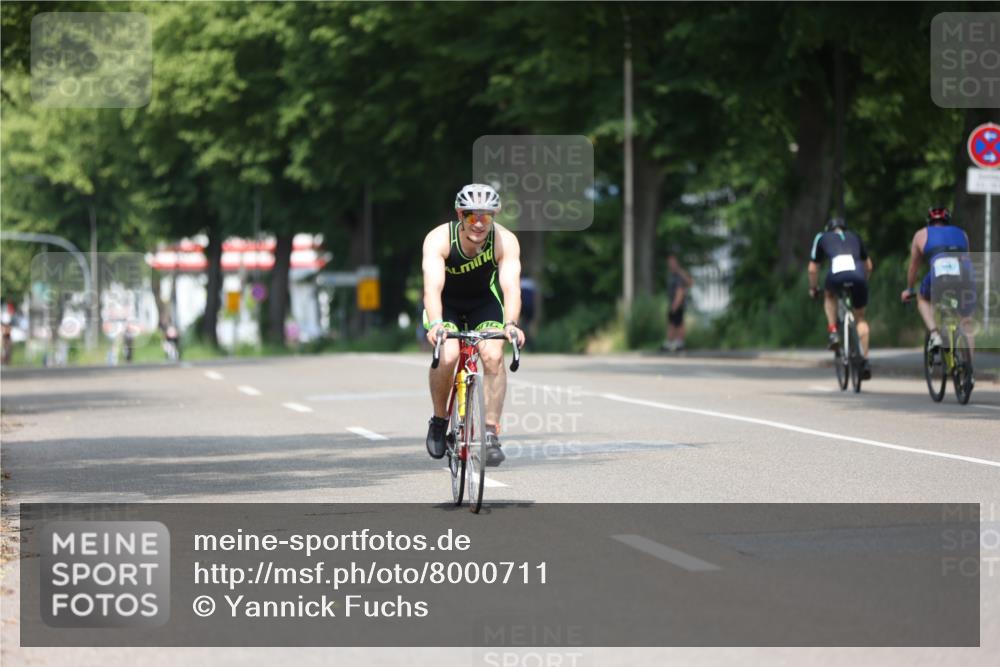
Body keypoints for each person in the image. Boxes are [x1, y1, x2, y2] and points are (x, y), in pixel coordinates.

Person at [422, 184, 525, 466]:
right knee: (449, 355)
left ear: (494, 216)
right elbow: (432, 288)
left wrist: (512, 324)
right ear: (460, 214)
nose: (479, 223)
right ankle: (439, 420)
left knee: (492, 356)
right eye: (471, 216)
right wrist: (436, 324)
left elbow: (511, 288)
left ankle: (490, 433)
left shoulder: (505, 241)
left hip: (483, 304)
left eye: (486, 216)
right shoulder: (439, 239)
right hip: (447, 306)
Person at [900, 206, 976, 354]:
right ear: (947, 221)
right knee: (967, 321)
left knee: (923, 298)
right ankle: (969, 373)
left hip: (941, 271)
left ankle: (935, 334)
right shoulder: (962, 233)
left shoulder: (921, 234)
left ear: (929, 221)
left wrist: (909, 289)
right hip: (965, 272)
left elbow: (913, 267)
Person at [808, 217, 874, 379]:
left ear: (829, 229)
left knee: (829, 295)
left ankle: (833, 332)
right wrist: (863, 282)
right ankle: (864, 361)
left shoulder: (822, 237)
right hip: (858, 276)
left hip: (836, 277)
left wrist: (814, 288)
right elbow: (869, 266)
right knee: (860, 319)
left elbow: (812, 269)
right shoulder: (855, 236)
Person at [661, 249, 693, 352]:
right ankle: (674, 342)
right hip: (674, 303)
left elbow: (681, 290)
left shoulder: (679, 275)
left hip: (677, 304)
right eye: (670, 262)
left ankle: (677, 343)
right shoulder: (673, 275)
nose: (671, 264)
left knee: (676, 324)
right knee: (675, 323)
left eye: (673, 262)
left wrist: (675, 304)